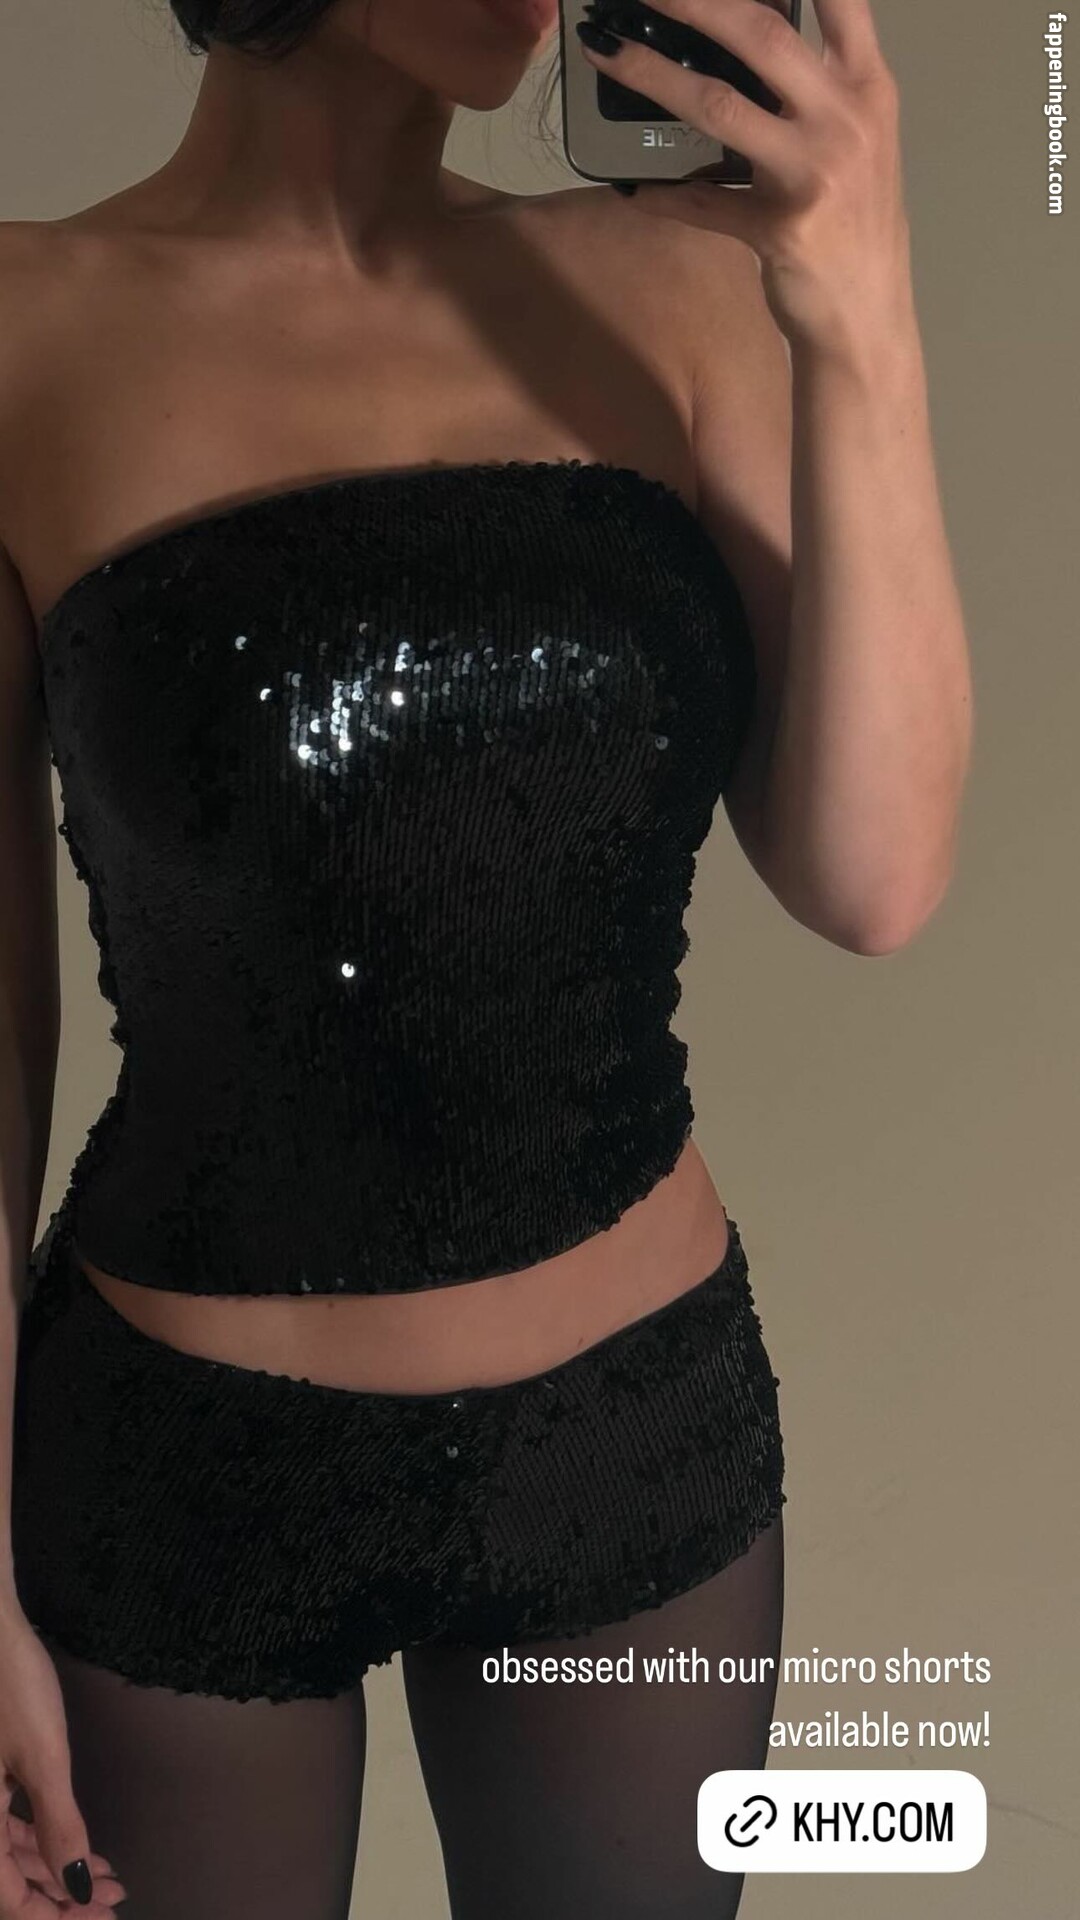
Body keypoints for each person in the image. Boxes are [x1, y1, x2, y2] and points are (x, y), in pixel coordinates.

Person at [0, 1, 971, 1916]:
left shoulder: (689, 286)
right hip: (184, 1470)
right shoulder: (27, 332)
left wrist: (861, 307)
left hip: (631, 1446)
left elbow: (873, 879)